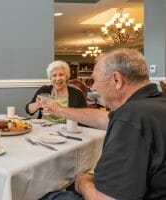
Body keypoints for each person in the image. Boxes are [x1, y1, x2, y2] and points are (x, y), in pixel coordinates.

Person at [40, 48, 166, 199]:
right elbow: (104, 118)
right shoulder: (153, 105)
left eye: (95, 80)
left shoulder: (131, 117)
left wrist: (83, 184)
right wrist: (59, 109)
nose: (93, 87)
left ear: (116, 80)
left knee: (46, 194)